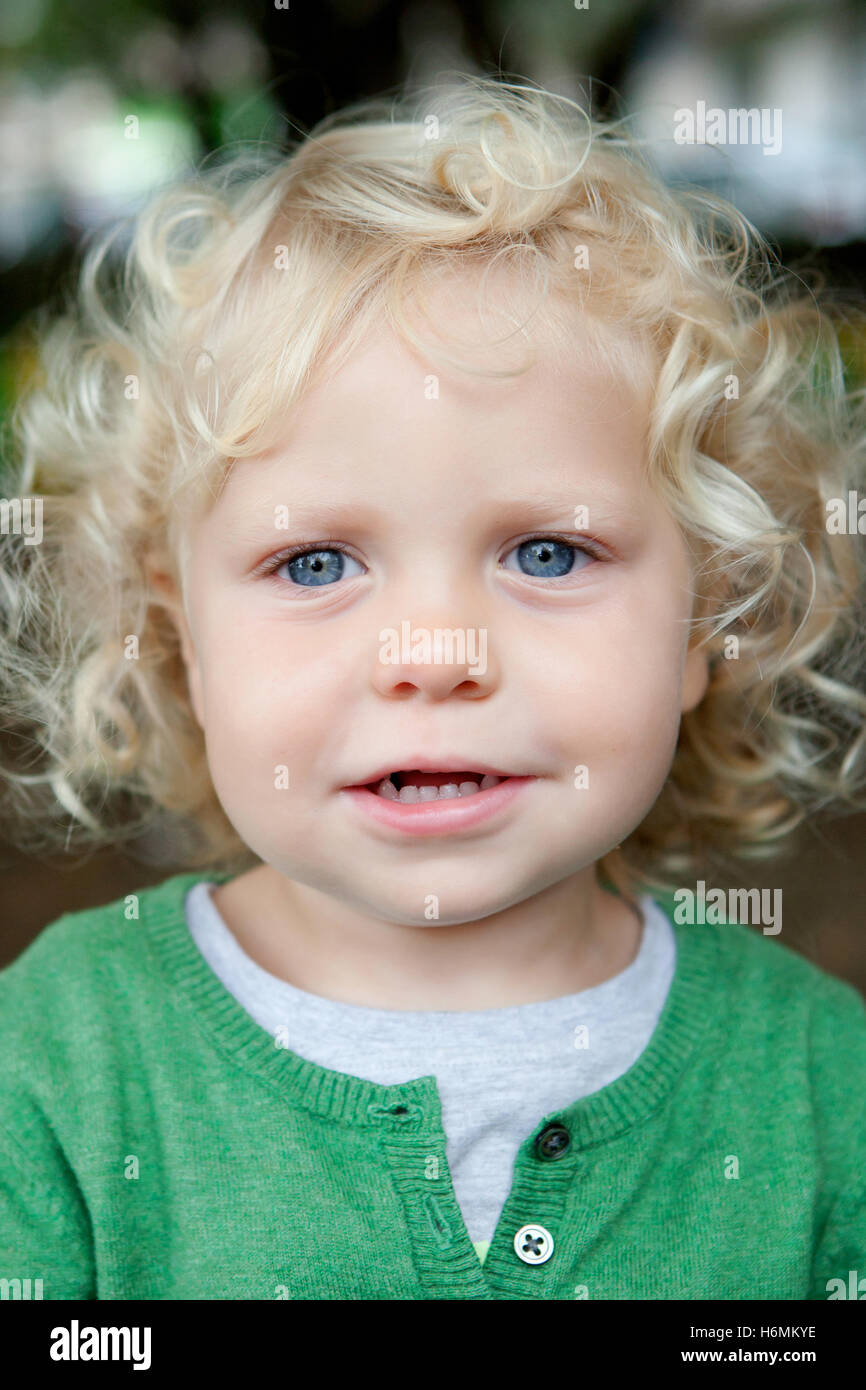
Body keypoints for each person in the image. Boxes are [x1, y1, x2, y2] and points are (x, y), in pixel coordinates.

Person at [1, 75, 864, 1300]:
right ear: (177, 632)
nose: (434, 653)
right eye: (312, 562)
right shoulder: (51, 1068)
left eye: (547, 553)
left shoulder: (819, 1082)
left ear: (700, 619)